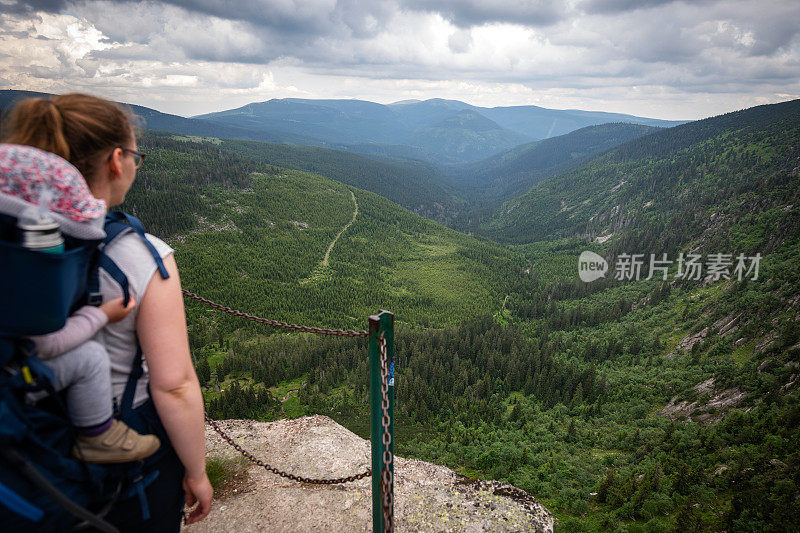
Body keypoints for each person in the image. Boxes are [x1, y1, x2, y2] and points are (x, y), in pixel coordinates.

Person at [1, 93, 213, 529]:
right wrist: (197, 471)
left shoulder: (14, 245)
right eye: (135, 153)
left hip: (31, 431)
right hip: (126, 447)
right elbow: (173, 386)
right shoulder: (143, 255)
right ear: (117, 160)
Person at [0, 143, 161, 464]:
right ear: (116, 160)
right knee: (89, 358)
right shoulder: (23, 291)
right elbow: (44, 344)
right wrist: (99, 314)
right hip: (12, 376)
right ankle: (99, 435)